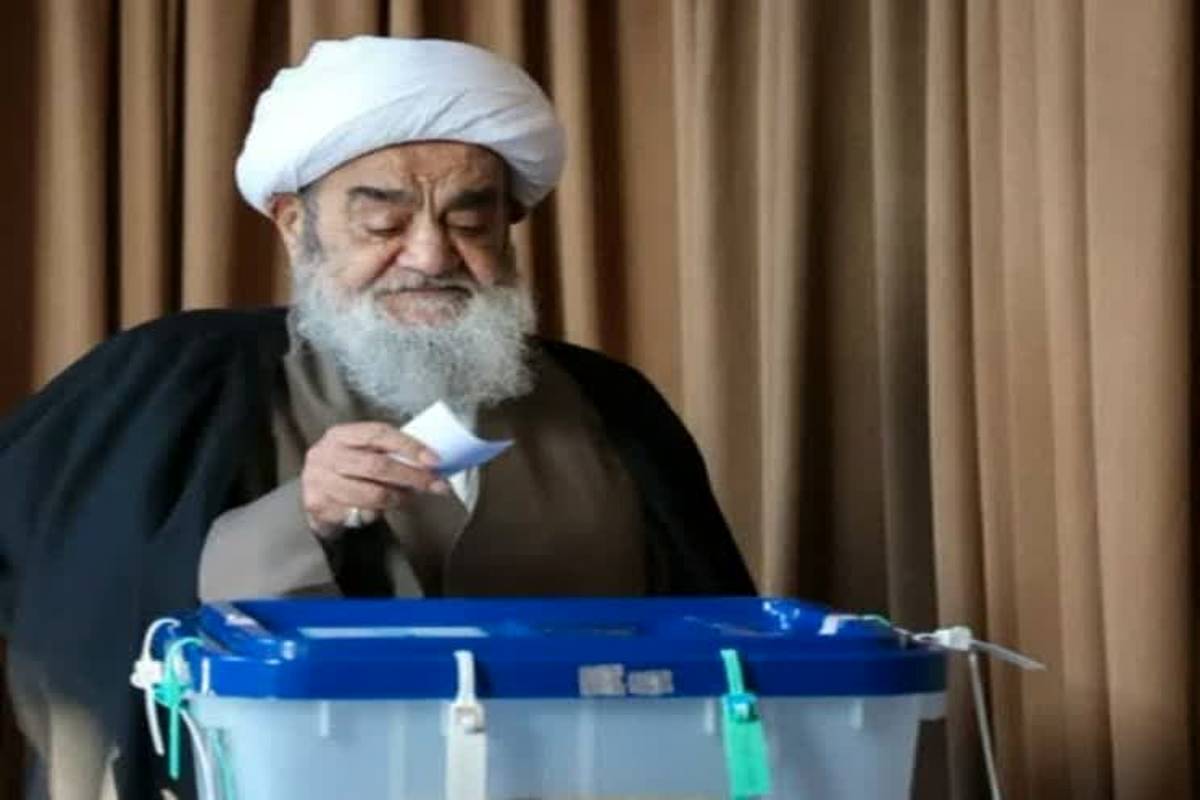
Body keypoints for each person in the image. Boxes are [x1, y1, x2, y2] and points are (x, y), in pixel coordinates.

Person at [0, 37, 753, 799]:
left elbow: (727, 654)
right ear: (295, 224)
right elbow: (88, 605)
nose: (430, 256)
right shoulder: (171, 382)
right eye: (383, 224)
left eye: (469, 221)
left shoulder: (611, 405)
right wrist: (301, 517)